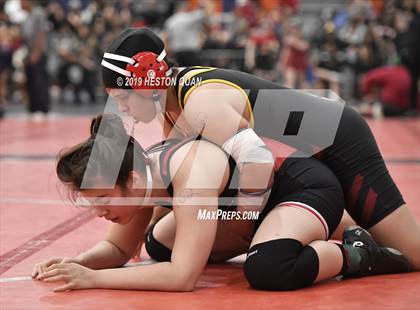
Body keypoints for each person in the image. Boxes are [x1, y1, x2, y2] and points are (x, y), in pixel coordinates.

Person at [100, 27, 420, 270]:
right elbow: (177, 177)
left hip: (338, 141)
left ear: (145, 81)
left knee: (414, 254)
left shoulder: (200, 103)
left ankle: (359, 249)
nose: (124, 109)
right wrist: (151, 225)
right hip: (303, 161)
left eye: (122, 99)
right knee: (161, 239)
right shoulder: (173, 105)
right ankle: (347, 236)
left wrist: (244, 218)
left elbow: (257, 158)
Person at [32, 114, 411, 292]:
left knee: (268, 269)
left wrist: (94, 279)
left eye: (101, 200)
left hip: (301, 188)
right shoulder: (142, 176)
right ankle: (290, 232)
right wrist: (76, 263)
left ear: (128, 181)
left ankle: (357, 253)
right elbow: (119, 248)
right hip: (249, 210)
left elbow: (182, 278)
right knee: (158, 243)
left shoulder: (188, 173)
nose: (98, 213)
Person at [20, 0, 50, 118]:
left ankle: (42, 108)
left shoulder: (38, 14)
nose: (20, 4)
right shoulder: (27, 16)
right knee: (31, 81)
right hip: (29, 52)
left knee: (39, 80)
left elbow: (41, 34)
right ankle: (33, 108)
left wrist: (36, 53)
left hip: (38, 53)